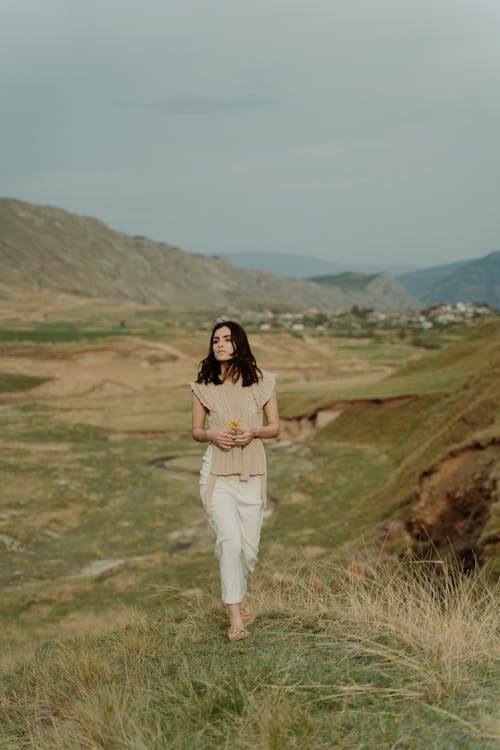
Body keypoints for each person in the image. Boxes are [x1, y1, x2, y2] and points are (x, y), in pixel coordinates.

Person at [191, 320, 280, 642]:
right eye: (215, 340)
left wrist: (253, 431)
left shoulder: (264, 382)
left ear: (239, 343)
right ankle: (236, 618)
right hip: (217, 474)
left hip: (252, 474)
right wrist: (212, 434)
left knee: (248, 549)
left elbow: (275, 428)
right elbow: (197, 431)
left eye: (227, 339)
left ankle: (241, 598)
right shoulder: (203, 386)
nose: (220, 344)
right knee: (229, 542)